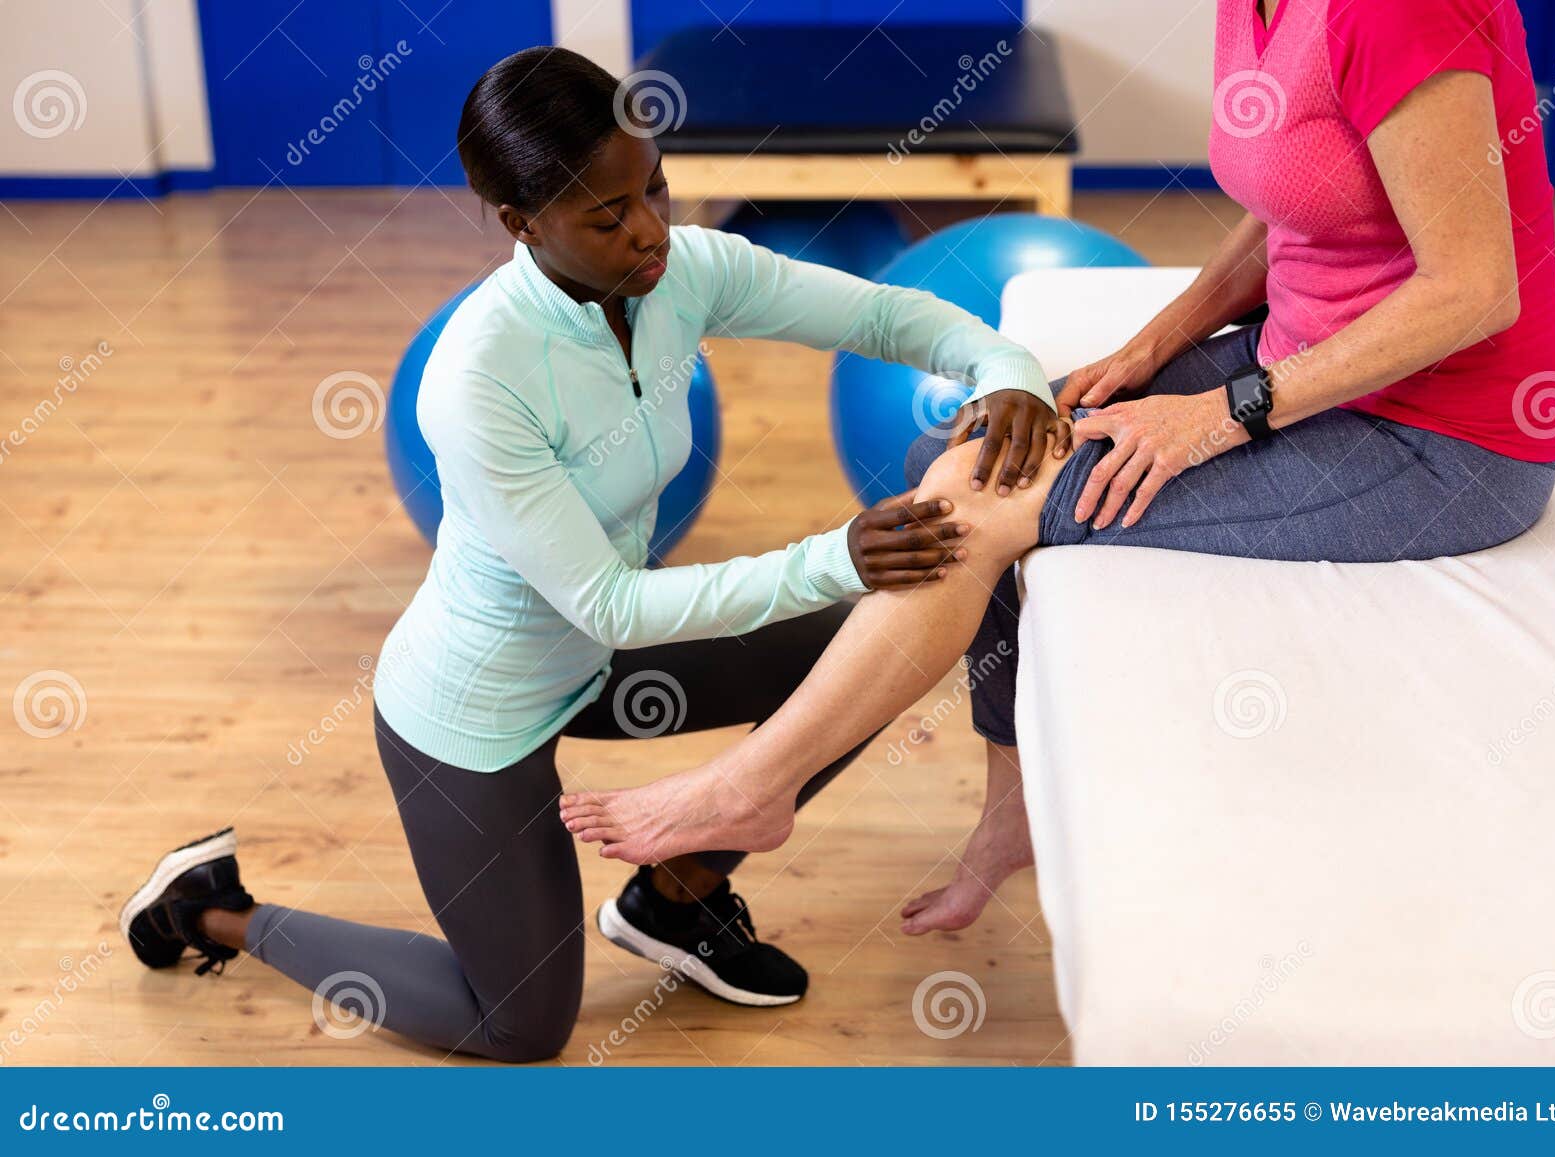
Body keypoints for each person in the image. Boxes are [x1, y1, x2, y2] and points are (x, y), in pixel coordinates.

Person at [118, 45, 1063, 1062]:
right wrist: (837, 553)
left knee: (873, 647)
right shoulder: (479, 380)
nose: (650, 229)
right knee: (517, 1024)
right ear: (521, 222)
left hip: (601, 663)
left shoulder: (679, 271)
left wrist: (1006, 372)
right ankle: (210, 908)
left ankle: (678, 896)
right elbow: (607, 604)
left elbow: (877, 311)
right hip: (478, 711)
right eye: (607, 216)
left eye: (653, 185)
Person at [557, 0, 1555, 938]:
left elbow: (1474, 289)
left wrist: (1220, 412)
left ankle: (752, 785)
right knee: (955, 453)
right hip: (1306, 361)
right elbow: (1289, 201)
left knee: (970, 508)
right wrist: (1153, 345)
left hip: (1439, 438)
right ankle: (1013, 814)